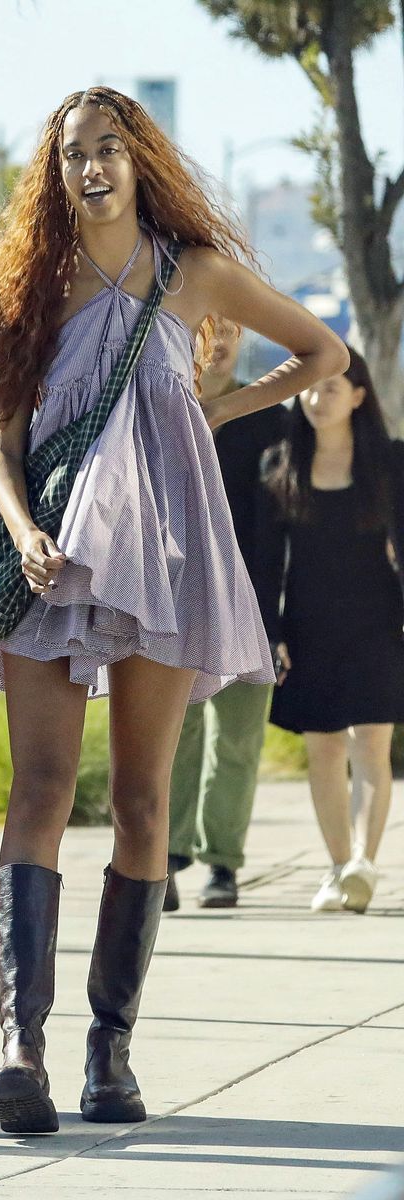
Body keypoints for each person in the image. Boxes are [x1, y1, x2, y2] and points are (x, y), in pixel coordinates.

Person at [0, 87, 348, 1135]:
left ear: (139, 162)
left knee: (140, 804)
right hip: (53, 561)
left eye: (109, 149)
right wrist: (23, 528)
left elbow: (324, 354)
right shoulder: (25, 286)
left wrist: (226, 404)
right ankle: (20, 1051)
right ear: (56, 172)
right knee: (37, 789)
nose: (91, 166)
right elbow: (1, 440)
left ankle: (107, 1052)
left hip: (166, 556)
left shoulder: (197, 274)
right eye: (74, 152)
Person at [255, 346, 404, 915]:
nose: (318, 399)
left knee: (371, 741)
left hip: (377, 618)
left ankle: (365, 862)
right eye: (311, 388)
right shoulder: (280, 464)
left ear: (359, 397)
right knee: (322, 746)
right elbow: (267, 561)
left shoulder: (389, 464)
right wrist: (271, 631)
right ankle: (338, 866)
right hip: (309, 620)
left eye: (332, 388)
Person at [164, 319, 286, 911]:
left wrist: (276, 621)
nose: (216, 344)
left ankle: (222, 864)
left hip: (249, 600)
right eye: (204, 329)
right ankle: (160, 859)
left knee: (235, 736)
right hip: (168, 595)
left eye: (229, 331)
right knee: (169, 734)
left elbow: (278, 529)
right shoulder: (161, 404)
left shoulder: (267, 417)